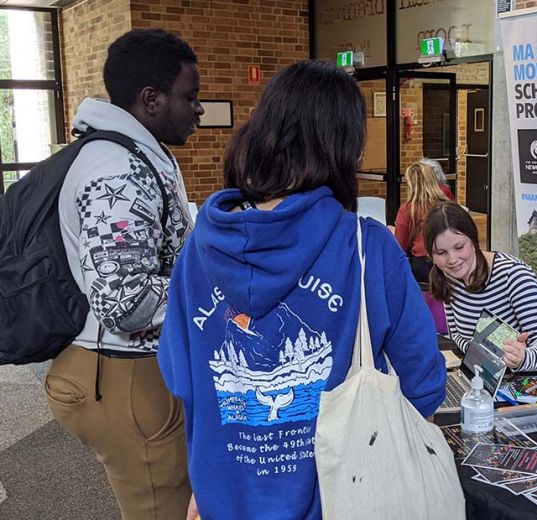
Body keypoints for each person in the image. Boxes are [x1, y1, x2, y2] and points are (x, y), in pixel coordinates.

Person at [158, 59, 446, 520]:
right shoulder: (366, 248)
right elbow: (424, 385)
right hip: (343, 497)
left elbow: (181, 375)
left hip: (226, 497)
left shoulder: (199, 252)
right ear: (342, 147)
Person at [45, 29, 204, 520]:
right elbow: (124, 302)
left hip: (129, 369)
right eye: (190, 97)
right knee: (164, 509)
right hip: (120, 373)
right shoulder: (117, 168)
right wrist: (205, 284)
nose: (198, 109)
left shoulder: (136, 155)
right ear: (151, 99)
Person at [423, 201, 537, 379]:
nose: (452, 259)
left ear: (474, 240)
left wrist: (521, 359)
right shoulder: (447, 277)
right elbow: (457, 335)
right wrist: (486, 358)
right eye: (441, 253)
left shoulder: (513, 274)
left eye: (459, 247)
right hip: (500, 376)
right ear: (431, 255)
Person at [394, 161, 448, 283]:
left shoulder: (408, 209)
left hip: (422, 265)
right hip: (447, 261)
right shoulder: (447, 205)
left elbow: (400, 246)